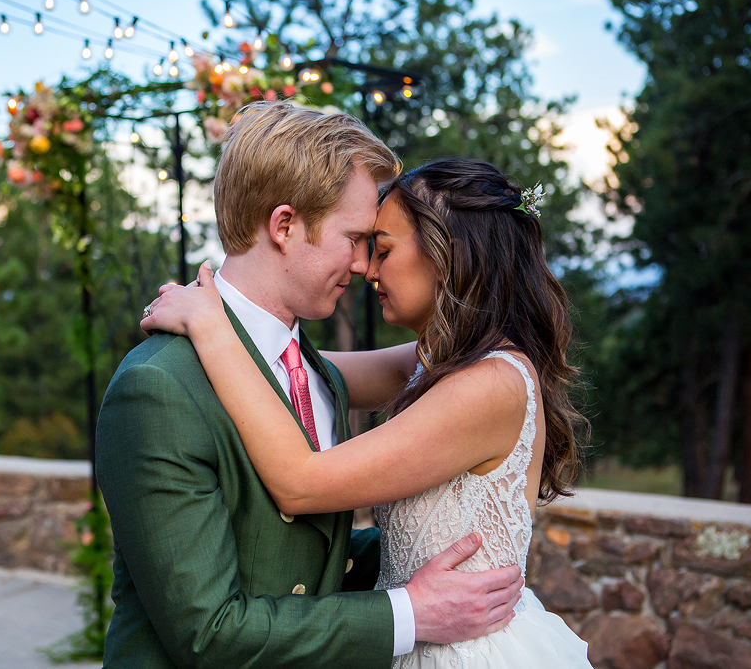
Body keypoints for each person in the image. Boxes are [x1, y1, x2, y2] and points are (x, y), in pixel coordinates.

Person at [96, 104, 524, 669]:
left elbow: (301, 553)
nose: (363, 265)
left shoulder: (318, 375)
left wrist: (433, 558)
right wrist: (410, 613)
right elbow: (209, 633)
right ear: (284, 225)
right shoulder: (157, 387)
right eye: (354, 238)